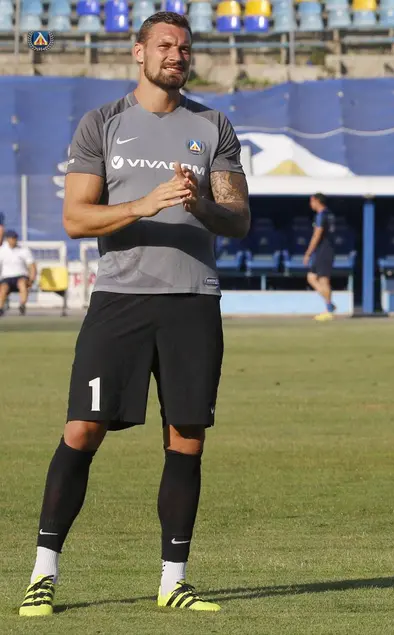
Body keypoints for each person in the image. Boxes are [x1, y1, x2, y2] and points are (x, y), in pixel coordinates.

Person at [18, 11, 250, 617]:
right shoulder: (102, 123)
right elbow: (76, 218)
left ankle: (174, 581)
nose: (177, 55)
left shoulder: (213, 125)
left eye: (185, 47)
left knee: (187, 438)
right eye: (165, 45)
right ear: (138, 52)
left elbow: (238, 219)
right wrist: (144, 204)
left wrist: (199, 204)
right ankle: (43, 573)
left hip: (194, 301)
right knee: (82, 430)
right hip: (121, 300)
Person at [303, 193, 336, 321]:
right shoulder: (329, 214)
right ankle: (329, 304)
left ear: (317, 201)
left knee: (323, 280)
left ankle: (328, 310)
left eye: (311, 201)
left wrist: (308, 253)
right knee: (311, 277)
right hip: (323, 250)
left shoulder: (321, 215)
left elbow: (317, 235)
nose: (310, 204)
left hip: (324, 251)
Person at [0, 229, 36, 316]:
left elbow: (32, 266)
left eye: (15, 238)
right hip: (6, 277)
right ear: (7, 239)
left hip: (21, 276)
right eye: (11, 238)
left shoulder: (23, 250)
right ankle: (0, 308)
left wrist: (31, 280)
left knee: (22, 283)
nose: (13, 240)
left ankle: (22, 306)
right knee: (3, 288)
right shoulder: (2, 250)